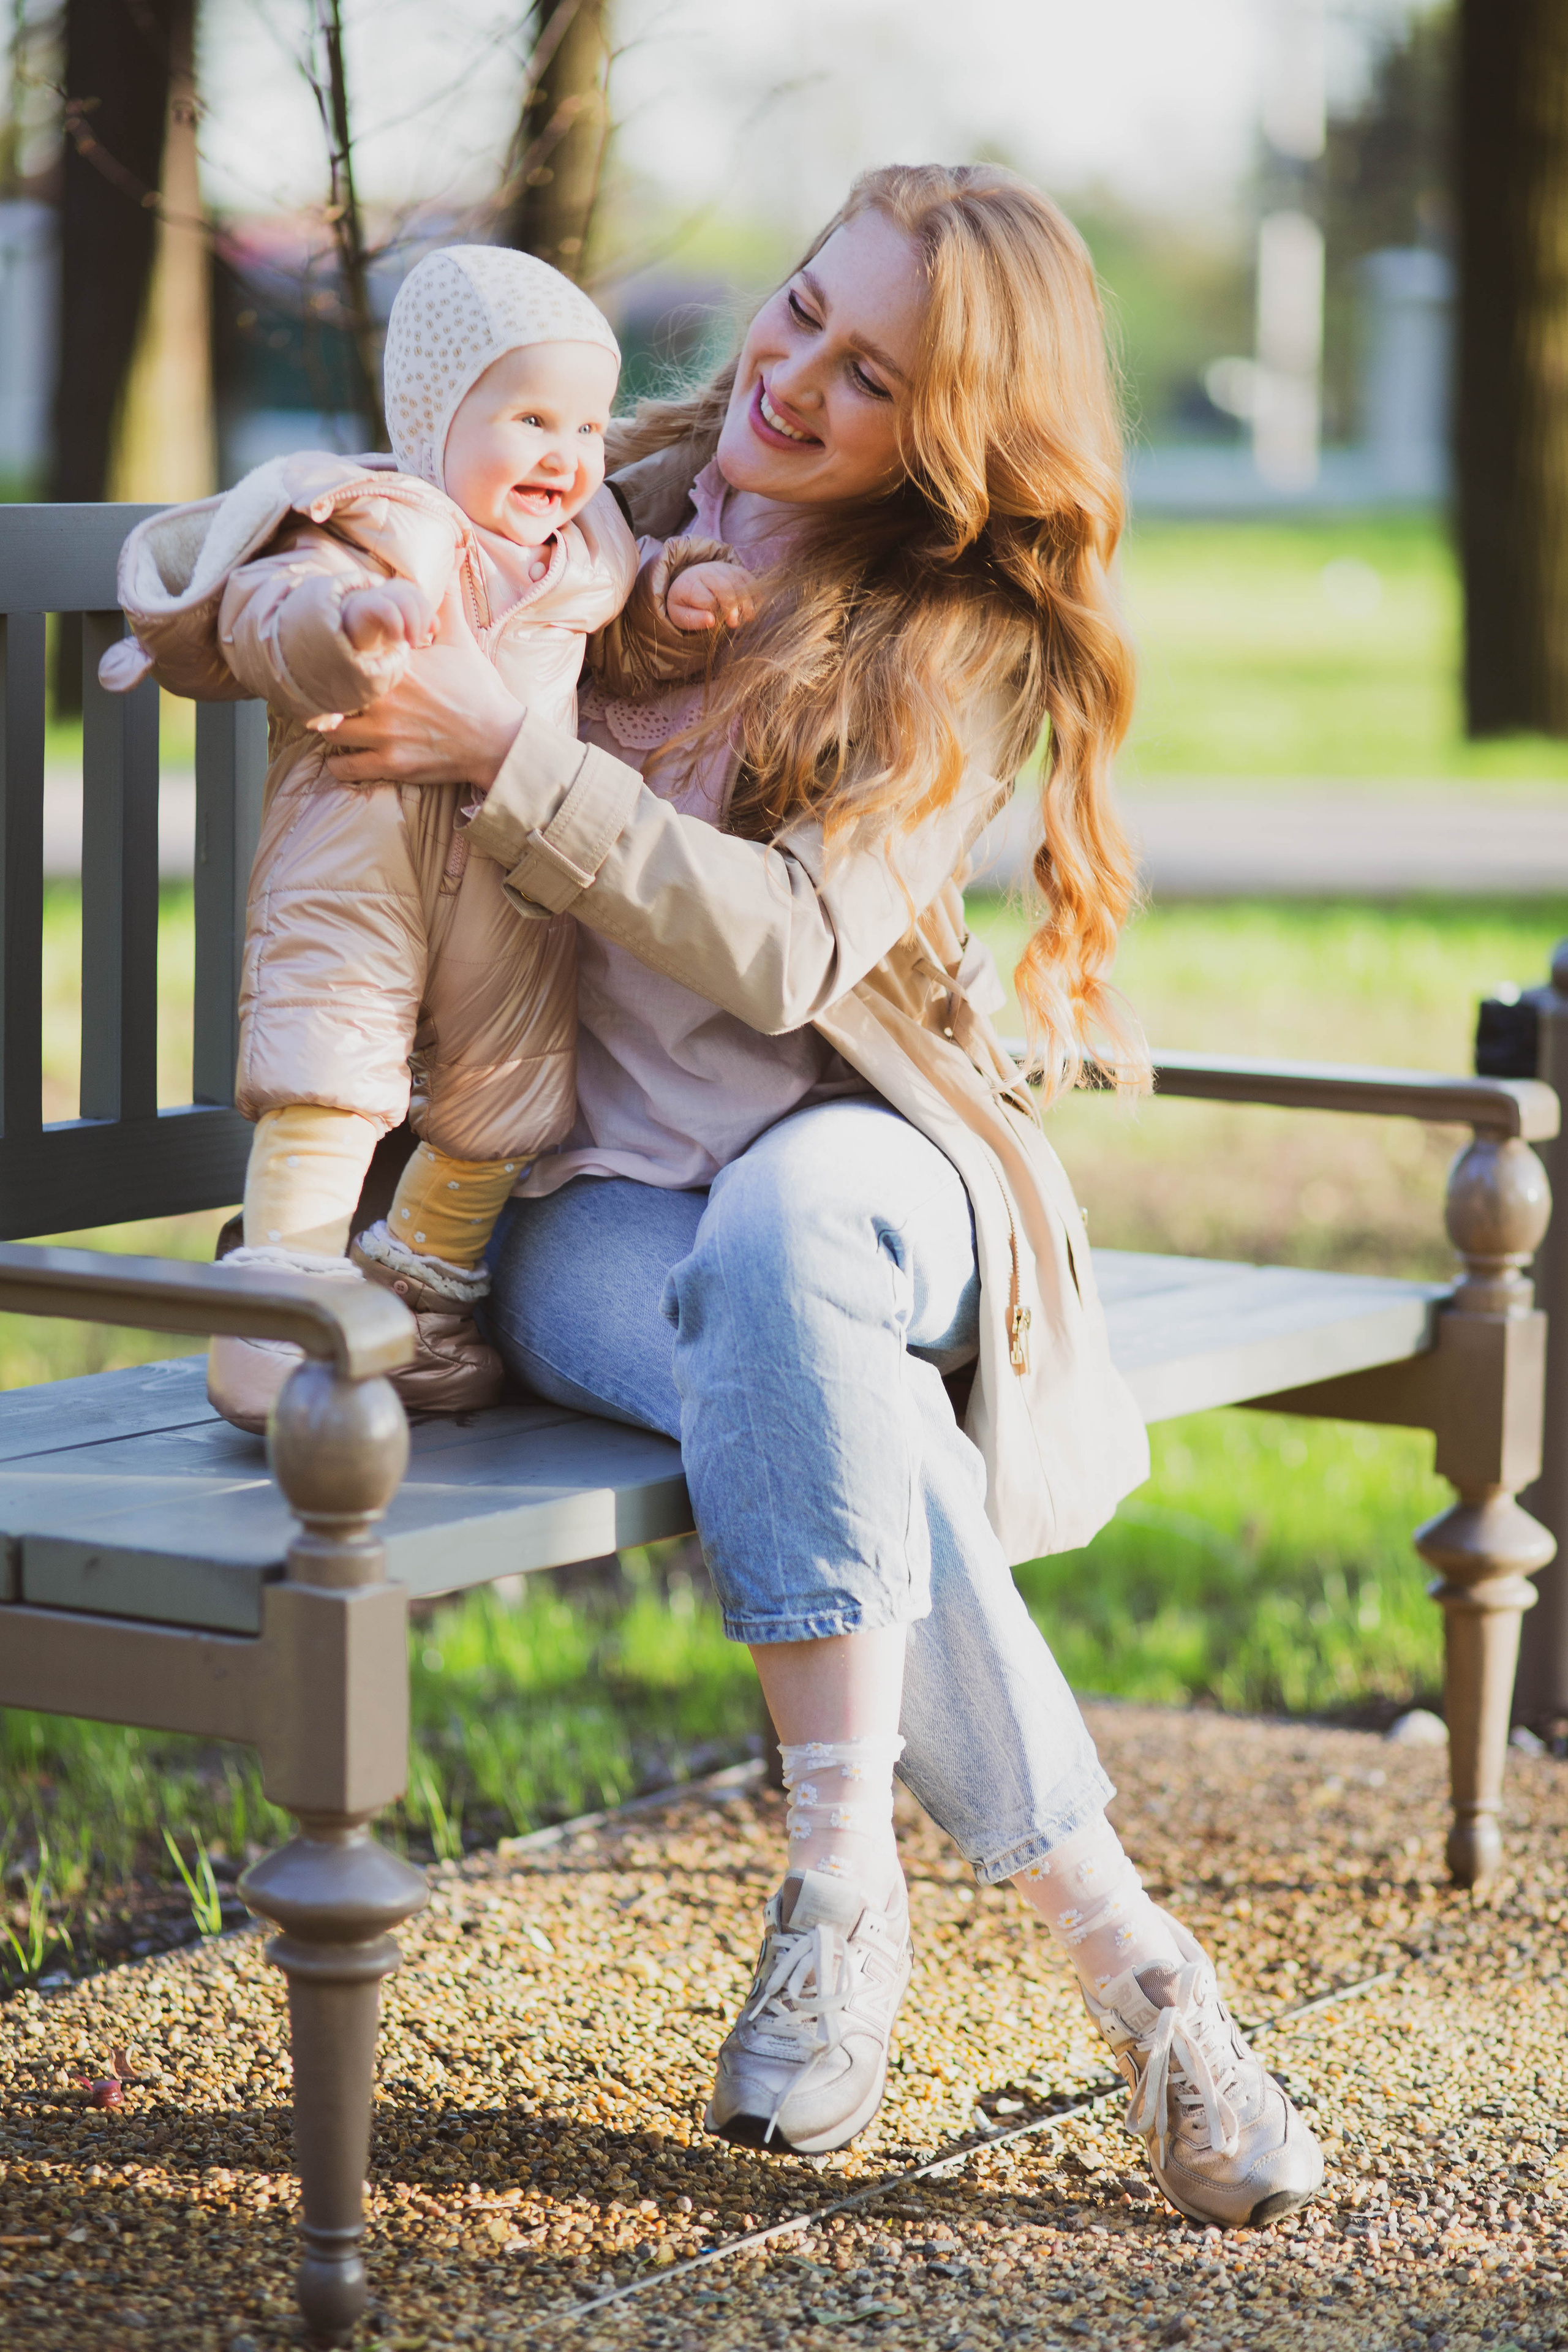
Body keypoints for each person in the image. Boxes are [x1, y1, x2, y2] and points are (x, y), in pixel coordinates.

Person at [312, 165, 1325, 2231]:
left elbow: (784, 954)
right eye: (796, 313)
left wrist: (521, 748)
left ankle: (844, 1876)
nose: (790, 379)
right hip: (594, 1215)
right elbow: (390, 506)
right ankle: (1137, 1975)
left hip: (876, 1170)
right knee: (798, 1369)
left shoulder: (943, 638)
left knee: (792, 1249)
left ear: (945, 437)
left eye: (870, 377)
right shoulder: (620, 485)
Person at [100, 245, 752, 1429]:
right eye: (533, 417)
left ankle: (418, 1310)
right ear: (436, 418)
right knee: (330, 1081)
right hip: (358, 871)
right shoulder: (373, 527)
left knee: (504, 1104)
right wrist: (349, 624)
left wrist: (679, 605)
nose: (568, 454)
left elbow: (623, 633)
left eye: (591, 426)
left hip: (512, 890)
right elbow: (263, 618)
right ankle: (278, 1319)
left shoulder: (592, 555)